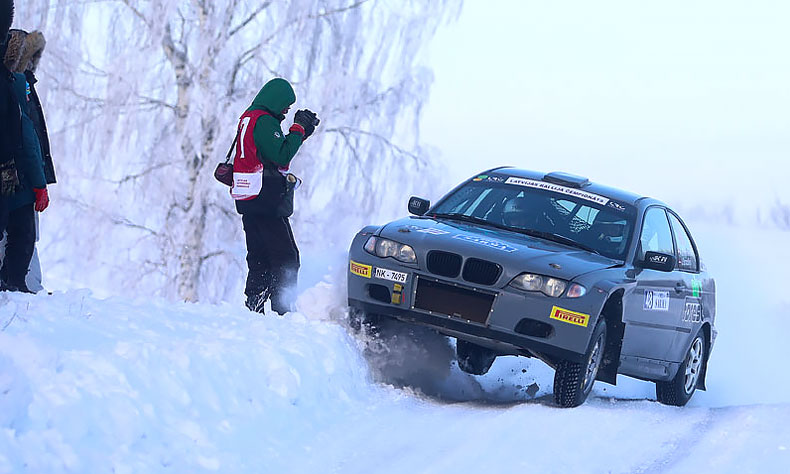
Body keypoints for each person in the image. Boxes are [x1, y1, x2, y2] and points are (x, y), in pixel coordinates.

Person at [231, 77, 319, 315]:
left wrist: (300, 135)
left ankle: (254, 306)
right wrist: (297, 129)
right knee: (287, 257)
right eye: (286, 106)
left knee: (259, 255)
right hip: (266, 199)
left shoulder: (248, 119)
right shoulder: (264, 121)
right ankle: (284, 310)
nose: (286, 110)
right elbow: (281, 156)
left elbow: (266, 153)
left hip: (247, 197)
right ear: (276, 100)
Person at [0, 4, 49, 294]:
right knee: (23, 234)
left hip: (16, 168)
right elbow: (27, 134)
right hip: (15, 171)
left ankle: (19, 285)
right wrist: (39, 180)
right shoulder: (17, 83)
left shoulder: (18, 82)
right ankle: (17, 286)